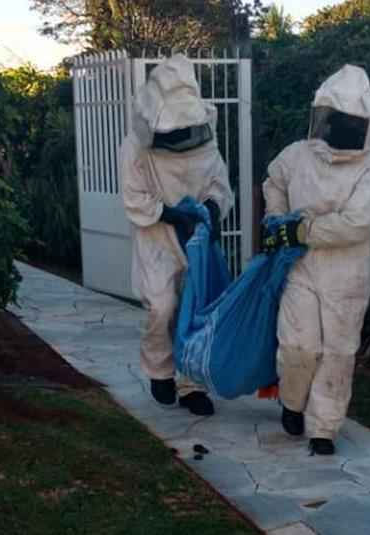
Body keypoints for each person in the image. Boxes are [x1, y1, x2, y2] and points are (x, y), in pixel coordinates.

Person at [262, 65, 370, 454]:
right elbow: (274, 182)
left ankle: (324, 428)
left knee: (338, 350)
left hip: (346, 273)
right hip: (299, 265)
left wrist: (302, 231)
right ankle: (293, 402)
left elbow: (358, 223)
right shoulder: (297, 155)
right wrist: (276, 220)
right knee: (298, 344)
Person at [120, 54, 233, 416]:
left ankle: (191, 385)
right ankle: (159, 370)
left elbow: (219, 185)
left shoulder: (206, 137)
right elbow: (135, 198)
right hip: (156, 237)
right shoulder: (134, 147)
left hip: (196, 239)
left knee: (196, 307)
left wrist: (212, 212)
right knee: (162, 306)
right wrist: (171, 214)